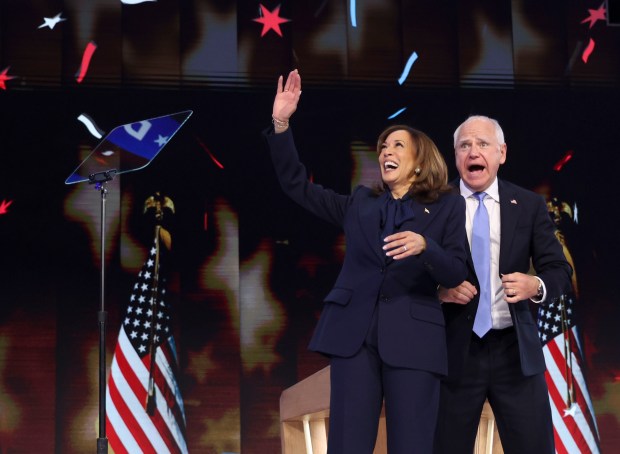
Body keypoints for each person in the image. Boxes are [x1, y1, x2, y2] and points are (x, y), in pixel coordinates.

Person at [264, 69, 468, 453]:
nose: (386, 152)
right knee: (348, 444)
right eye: (383, 147)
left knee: (411, 444)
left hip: (414, 338)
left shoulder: (446, 206)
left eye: (397, 146)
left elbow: (456, 270)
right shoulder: (360, 202)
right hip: (354, 336)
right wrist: (281, 123)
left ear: (420, 161)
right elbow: (296, 186)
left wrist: (426, 245)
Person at [434, 115, 573, 453]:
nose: (472, 152)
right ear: (455, 156)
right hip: (454, 353)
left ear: (502, 153)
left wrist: (534, 285)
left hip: (515, 352)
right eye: (464, 145)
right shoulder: (435, 204)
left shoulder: (527, 204)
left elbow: (558, 270)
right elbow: (409, 272)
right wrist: (438, 293)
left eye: (482, 144)